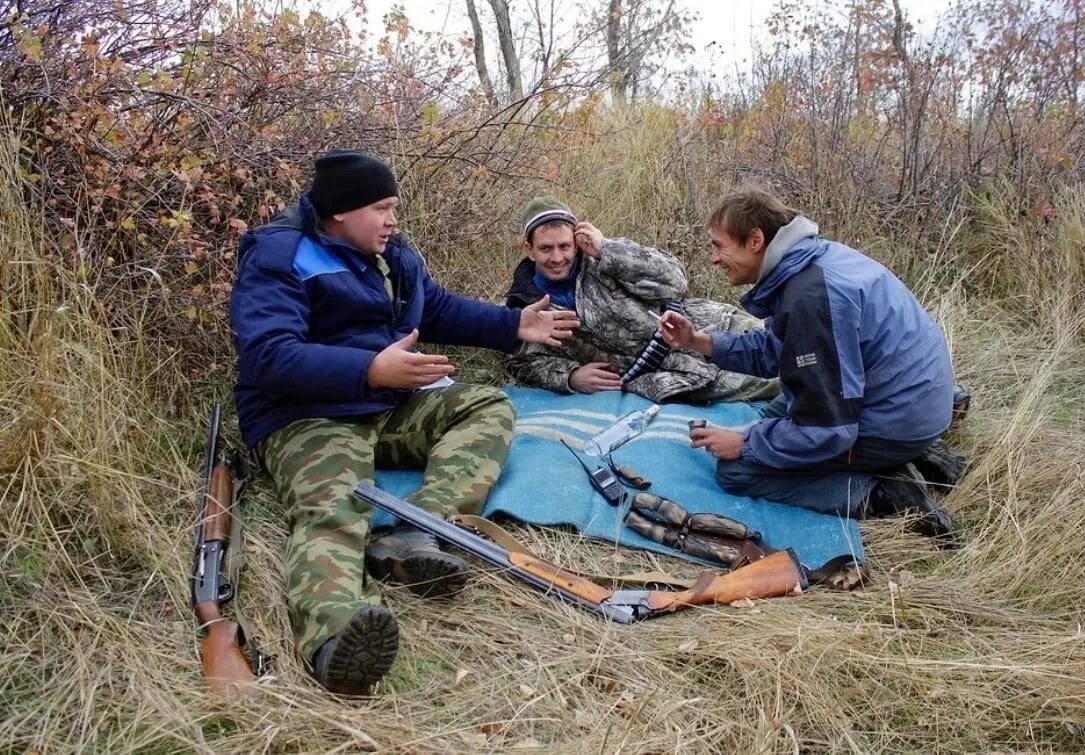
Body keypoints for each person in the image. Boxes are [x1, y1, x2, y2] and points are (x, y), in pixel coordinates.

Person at [229, 150, 579, 696]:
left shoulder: (391, 253)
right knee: (334, 508)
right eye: (381, 208)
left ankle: (420, 529)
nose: (393, 219)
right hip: (304, 415)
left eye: (394, 207)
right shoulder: (278, 257)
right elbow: (268, 356)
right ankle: (335, 635)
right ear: (340, 213)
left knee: (485, 406)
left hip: (387, 403)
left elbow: (435, 308)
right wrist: (369, 367)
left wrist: (515, 323)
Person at [659, 187, 960, 540]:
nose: (713, 258)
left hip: (896, 419)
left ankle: (883, 494)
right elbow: (778, 351)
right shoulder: (811, 261)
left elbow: (829, 429)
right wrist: (698, 342)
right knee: (777, 413)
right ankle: (910, 453)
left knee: (737, 471)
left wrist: (746, 444)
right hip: (911, 398)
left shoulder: (810, 298)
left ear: (755, 240)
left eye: (719, 245)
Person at [504, 196, 780, 403]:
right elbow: (522, 363)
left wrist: (607, 249)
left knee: (802, 348)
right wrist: (571, 377)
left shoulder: (603, 259)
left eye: (564, 246)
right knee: (786, 385)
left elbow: (675, 281)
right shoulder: (525, 305)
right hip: (675, 375)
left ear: (576, 241)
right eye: (545, 249)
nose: (557, 258)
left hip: (710, 325)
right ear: (529, 250)